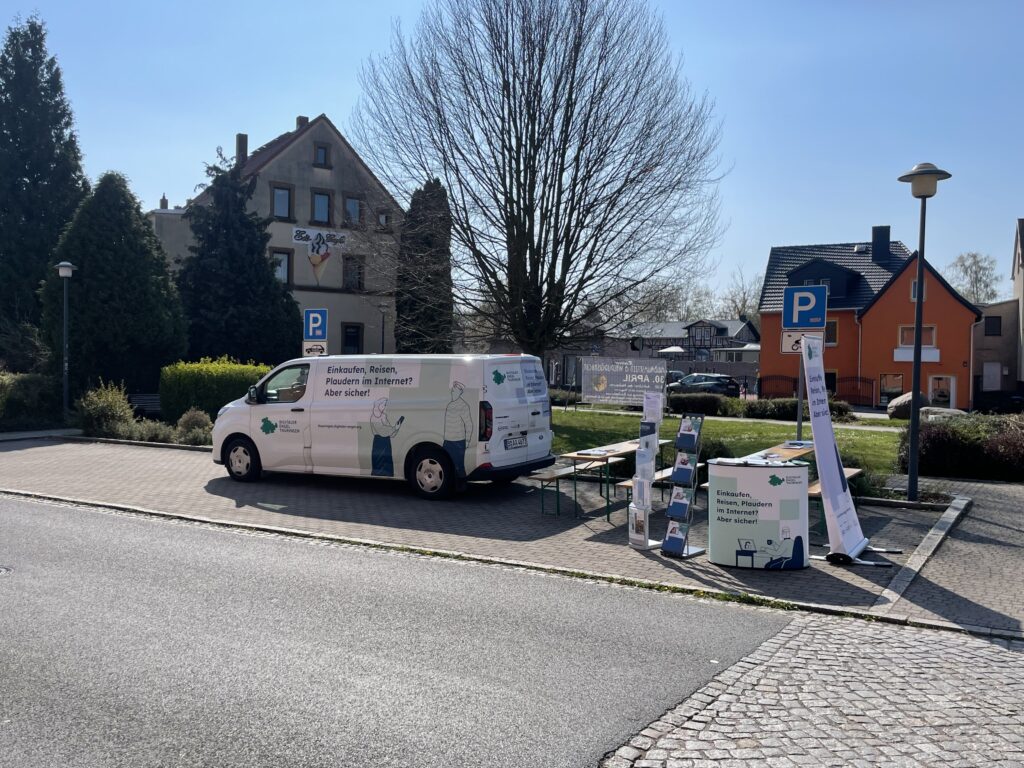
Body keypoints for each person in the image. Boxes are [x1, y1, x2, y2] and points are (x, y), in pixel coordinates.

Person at [443, 381, 473, 476]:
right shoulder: (450, 405)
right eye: (452, 390)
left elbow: (469, 424)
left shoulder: (463, 406)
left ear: (459, 392)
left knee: (459, 466)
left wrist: (467, 440)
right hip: (447, 441)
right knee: (446, 465)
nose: (451, 392)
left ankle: (461, 486)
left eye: (453, 391)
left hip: (458, 442)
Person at [370, 397, 403, 476]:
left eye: (385, 405)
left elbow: (390, 433)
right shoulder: (374, 417)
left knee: (387, 461)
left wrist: (396, 428)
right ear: (378, 406)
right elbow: (383, 431)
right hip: (379, 443)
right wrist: (394, 428)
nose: (384, 407)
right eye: (383, 405)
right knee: (379, 462)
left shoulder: (384, 416)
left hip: (386, 442)